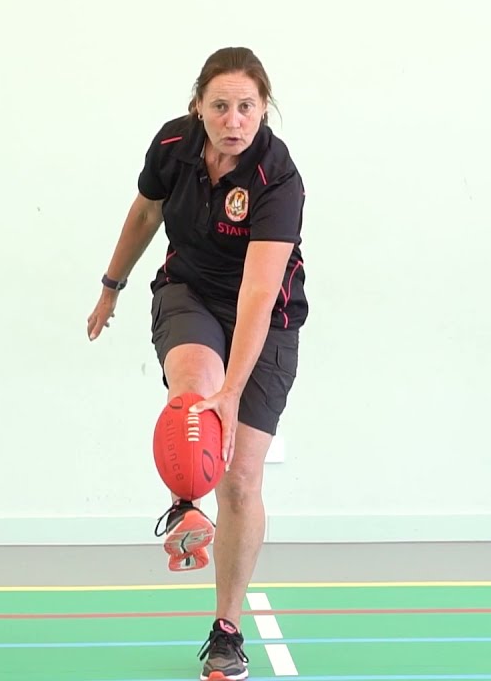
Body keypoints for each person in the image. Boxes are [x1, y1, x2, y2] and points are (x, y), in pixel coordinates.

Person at [86, 46, 308, 681]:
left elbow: (259, 294)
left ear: (264, 109)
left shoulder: (278, 179)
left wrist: (234, 391)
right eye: (221, 106)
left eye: (247, 107)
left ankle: (226, 630)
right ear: (198, 107)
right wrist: (111, 286)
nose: (234, 120)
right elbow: (144, 213)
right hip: (189, 292)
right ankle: (185, 502)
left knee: (239, 480)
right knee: (192, 390)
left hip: (266, 318)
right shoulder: (173, 146)